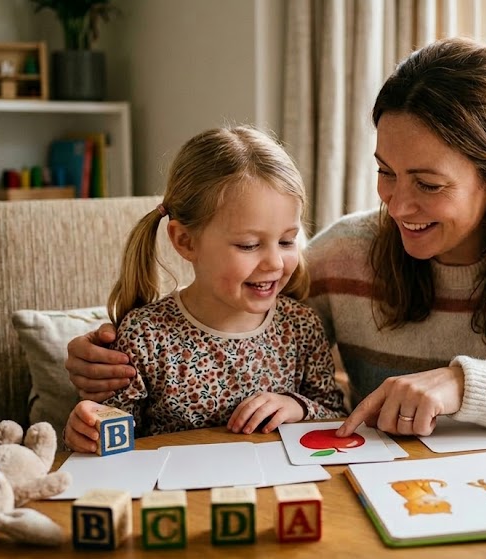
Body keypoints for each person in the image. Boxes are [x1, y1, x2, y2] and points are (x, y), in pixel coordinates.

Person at [65, 37, 486, 440]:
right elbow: (230, 318)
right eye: (385, 171)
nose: (397, 205)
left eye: (427, 184)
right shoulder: (345, 252)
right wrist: (100, 353)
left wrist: (465, 384)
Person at [63, 126, 346, 453]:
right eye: (249, 245)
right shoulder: (146, 335)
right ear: (185, 241)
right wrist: (88, 431)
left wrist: (297, 408)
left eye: (286, 241)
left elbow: (337, 415)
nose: (275, 263)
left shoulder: (301, 327)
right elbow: (113, 437)